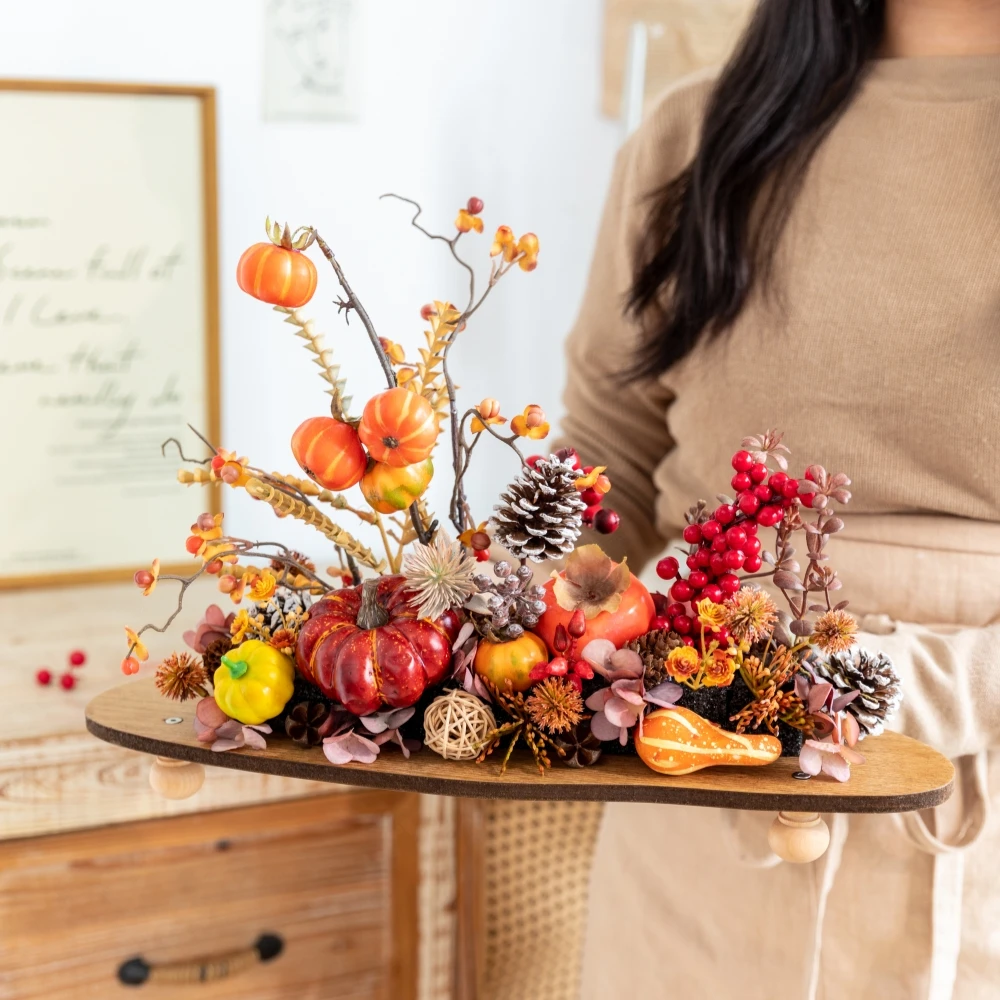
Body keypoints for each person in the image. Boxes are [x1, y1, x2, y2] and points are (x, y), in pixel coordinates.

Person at [559, 1, 1000, 997]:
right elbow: (609, 456)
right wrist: (509, 629)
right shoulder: (695, 133)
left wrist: (929, 685)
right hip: (702, 818)